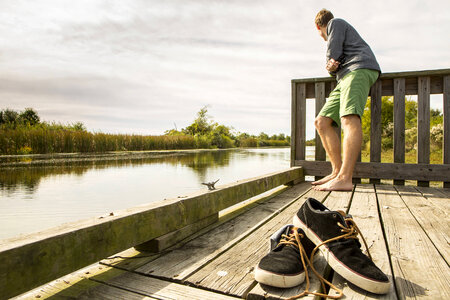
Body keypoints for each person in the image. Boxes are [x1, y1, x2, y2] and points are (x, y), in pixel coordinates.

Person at [312, 9, 380, 191]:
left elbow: (333, 52)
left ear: (318, 26)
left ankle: (344, 178)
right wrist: (331, 67)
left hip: (358, 69)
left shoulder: (336, 23)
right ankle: (336, 172)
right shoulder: (339, 29)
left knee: (348, 118)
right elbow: (333, 66)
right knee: (321, 122)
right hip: (344, 77)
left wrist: (330, 64)